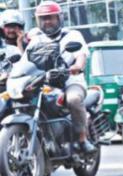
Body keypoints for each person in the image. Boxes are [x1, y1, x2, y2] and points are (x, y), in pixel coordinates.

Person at [26, 1, 95, 154]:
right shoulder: (36, 39)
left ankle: (82, 139)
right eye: (43, 18)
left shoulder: (72, 35)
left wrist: (77, 66)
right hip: (43, 83)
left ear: (59, 18)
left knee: (73, 99)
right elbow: (26, 60)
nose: (47, 22)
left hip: (71, 81)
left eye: (50, 17)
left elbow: (81, 56)